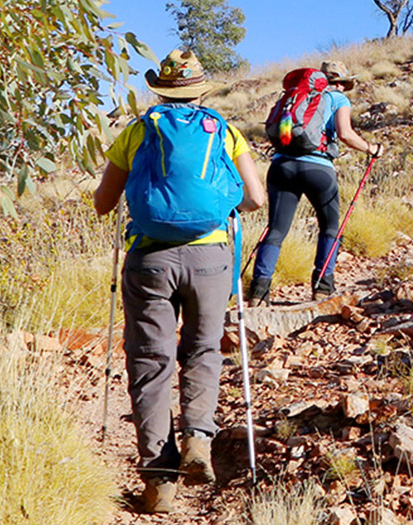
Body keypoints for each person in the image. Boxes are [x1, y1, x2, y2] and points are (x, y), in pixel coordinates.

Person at [92, 49, 266, 511]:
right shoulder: (225, 132)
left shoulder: (137, 131)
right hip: (211, 258)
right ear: (201, 90)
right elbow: (256, 198)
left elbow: (103, 203)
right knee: (204, 349)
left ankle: (159, 482)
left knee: (151, 361)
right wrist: (217, 207)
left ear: (160, 90)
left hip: (149, 259)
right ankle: (197, 441)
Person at [247, 61, 385, 306]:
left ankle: (259, 291)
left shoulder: (293, 97)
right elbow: (345, 134)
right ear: (340, 82)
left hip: (281, 166)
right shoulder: (338, 99)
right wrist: (371, 148)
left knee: (276, 229)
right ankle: (322, 287)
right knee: (330, 227)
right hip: (318, 168)